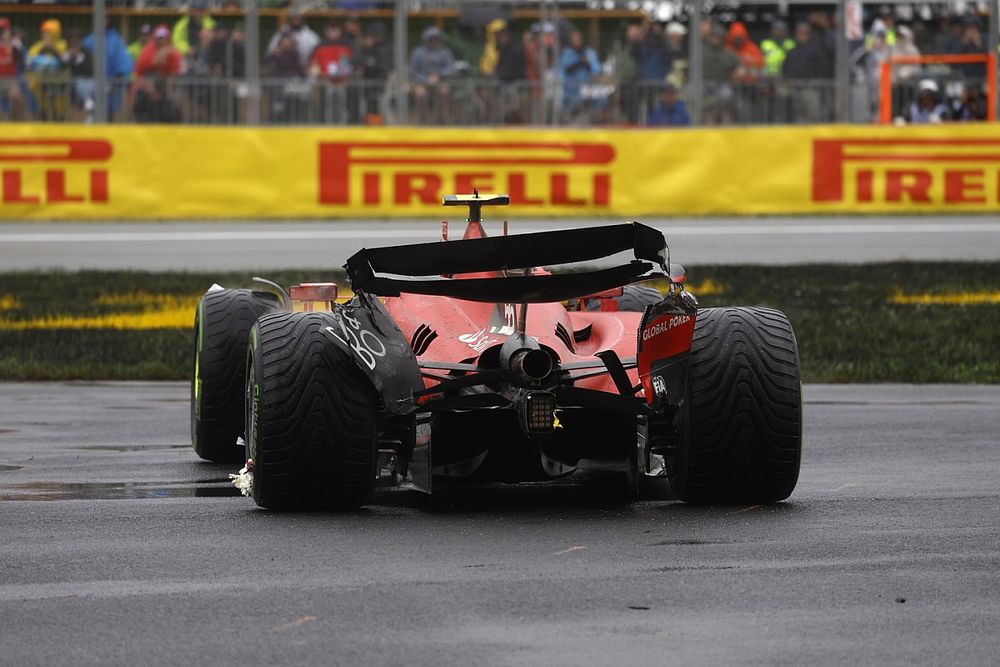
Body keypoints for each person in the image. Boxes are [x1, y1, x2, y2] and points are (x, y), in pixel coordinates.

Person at [782, 22, 828, 122]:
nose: (801, 36)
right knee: (798, 115)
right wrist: (787, 80)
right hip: (795, 88)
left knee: (813, 115)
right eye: (799, 33)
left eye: (804, 33)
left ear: (808, 34)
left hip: (811, 88)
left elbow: (822, 68)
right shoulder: (792, 52)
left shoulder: (816, 50)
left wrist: (816, 82)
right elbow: (785, 68)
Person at [409, 26, 454, 124]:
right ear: (426, 39)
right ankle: (423, 119)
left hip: (440, 81)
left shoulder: (445, 52)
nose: (433, 41)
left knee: (444, 92)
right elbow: (412, 71)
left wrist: (438, 76)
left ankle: (441, 118)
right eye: (431, 38)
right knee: (420, 94)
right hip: (421, 82)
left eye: (436, 38)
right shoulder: (418, 52)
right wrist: (426, 80)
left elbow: (450, 68)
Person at [26, 19, 67, 120]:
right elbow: (29, 61)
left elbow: (65, 62)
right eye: (43, 32)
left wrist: (52, 49)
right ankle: (42, 113)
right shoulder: (38, 46)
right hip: (40, 81)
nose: (44, 35)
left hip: (58, 82)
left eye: (47, 33)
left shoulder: (62, 44)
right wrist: (43, 49)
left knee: (60, 100)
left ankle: (59, 115)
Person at [701, 22, 738, 124]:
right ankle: (709, 128)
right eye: (713, 36)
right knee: (708, 105)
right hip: (705, 83)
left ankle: (727, 127)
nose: (715, 39)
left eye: (718, 36)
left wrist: (737, 74)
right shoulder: (702, 52)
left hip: (723, 83)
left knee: (727, 97)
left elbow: (738, 67)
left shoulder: (728, 53)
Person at [559, 29, 599, 118]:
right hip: (569, 91)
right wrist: (580, 62)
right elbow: (565, 69)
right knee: (569, 113)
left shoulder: (589, 52)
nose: (577, 41)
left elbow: (595, 70)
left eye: (578, 39)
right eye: (574, 39)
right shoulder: (567, 53)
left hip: (586, 89)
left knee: (587, 109)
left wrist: (586, 63)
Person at [267, 7, 319, 71]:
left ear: (302, 18)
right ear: (290, 18)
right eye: (294, 17)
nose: (296, 20)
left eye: (298, 17)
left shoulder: (311, 36)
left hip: (305, 72)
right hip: (282, 72)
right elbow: (270, 55)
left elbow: (317, 57)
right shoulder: (280, 34)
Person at [0, 17, 28, 120]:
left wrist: (13, 47)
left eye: (3, 30)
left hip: (10, 79)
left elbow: (22, 61)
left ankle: (15, 122)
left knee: (16, 96)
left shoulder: (14, 44)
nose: (1, 33)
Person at [62, 30, 94, 119]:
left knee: (83, 89)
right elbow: (62, 65)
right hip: (73, 83)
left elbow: (89, 69)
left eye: (76, 42)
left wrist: (77, 59)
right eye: (71, 42)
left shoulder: (87, 53)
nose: (74, 45)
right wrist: (68, 57)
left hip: (88, 82)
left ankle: (87, 112)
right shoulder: (67, 53)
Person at [172, 0, 215, 65]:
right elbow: (176, 41)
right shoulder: (182, 24)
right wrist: (187, 49)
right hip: (186, 55)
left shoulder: (210, 23)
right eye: (196, 10)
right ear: (191, 11)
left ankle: (207, 68)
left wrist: (207, 37)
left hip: (205, 54)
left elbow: (213, 39)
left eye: (201, 10)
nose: (199, 13)